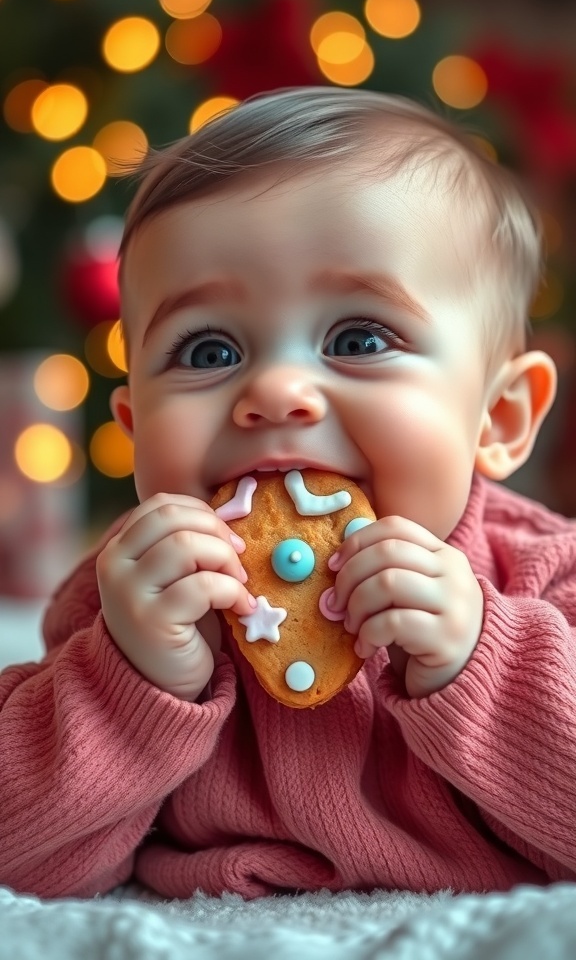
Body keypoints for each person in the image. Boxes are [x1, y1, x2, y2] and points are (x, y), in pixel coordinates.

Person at [1, 86, 575, 901]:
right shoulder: (125, 600)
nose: (275, 391)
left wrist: (483, 661)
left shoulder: (547, 578)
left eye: (359, 339)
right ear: (134, 425)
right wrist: (131, 683)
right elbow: (21, 864)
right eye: (206, 350)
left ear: (499, 417)